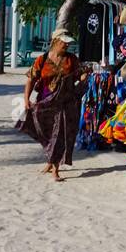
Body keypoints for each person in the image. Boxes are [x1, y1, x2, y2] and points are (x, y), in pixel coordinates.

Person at [18, 28, 88, 181]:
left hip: (65, 103)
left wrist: (83, 79)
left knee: (60, 135)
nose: (67, 46)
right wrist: (26, 100)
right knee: (48, 134)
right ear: (55, 42)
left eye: (68, 43)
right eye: (64, 43)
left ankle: (55, 169)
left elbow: (81, 73)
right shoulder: (42, 60)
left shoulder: (71, 59)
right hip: (45, 102)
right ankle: (50, 162)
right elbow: (31, 79)